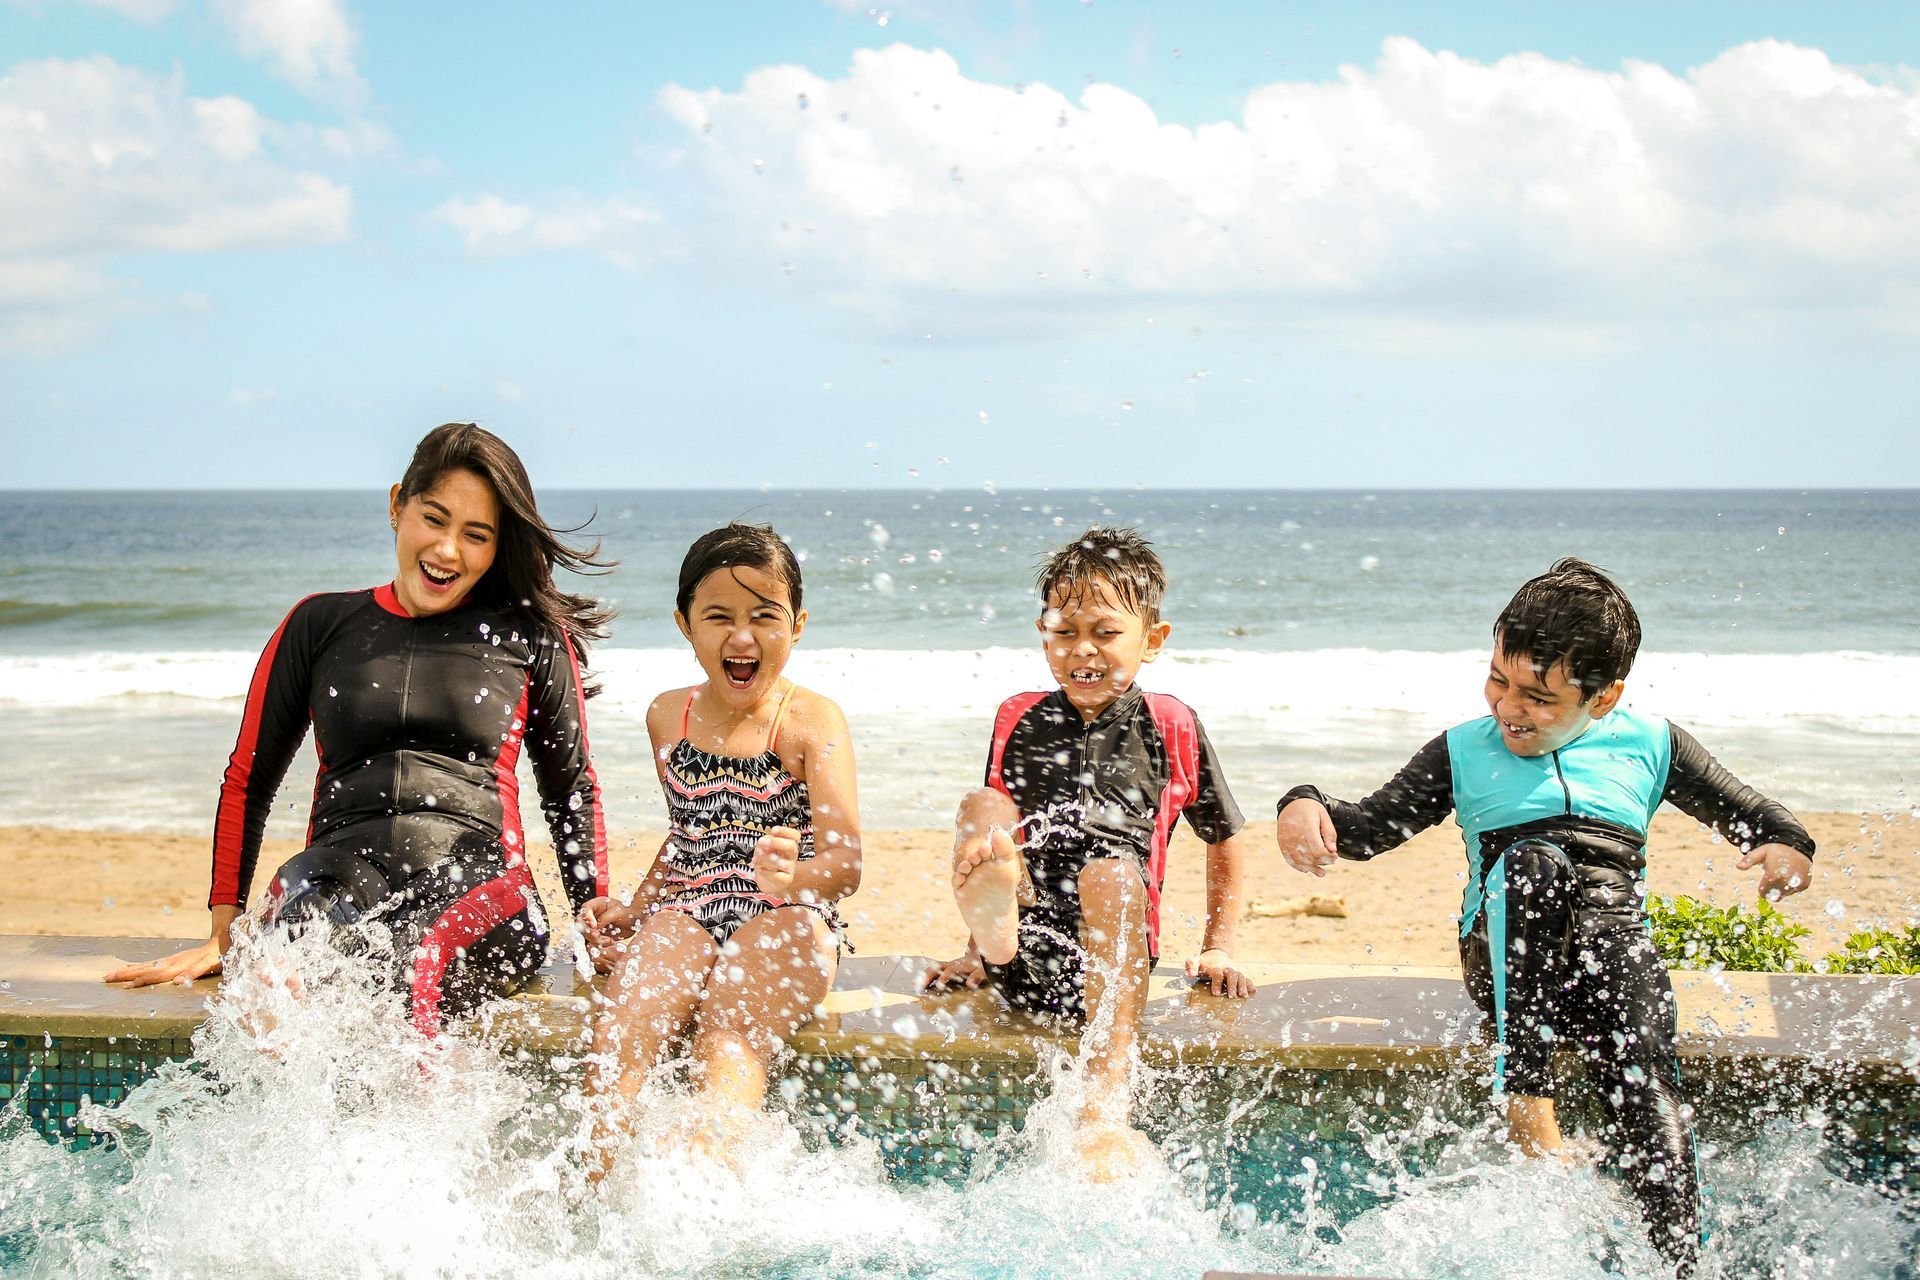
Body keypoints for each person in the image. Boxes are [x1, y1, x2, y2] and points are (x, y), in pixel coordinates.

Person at [1275, 557, 1815, 1275]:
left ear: (1604, 697)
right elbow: (1370, 828)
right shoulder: (1464, 750)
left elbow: (1752, 811)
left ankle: (1682, 1257)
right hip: (1505, 950)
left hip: (1610, 953)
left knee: (1644, 1059)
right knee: (1535, 865)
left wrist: (1787, 846)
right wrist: (1303, 800)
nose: (1509, 708)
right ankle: (1529, 1104)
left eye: (1538, 696)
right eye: (1498, 680)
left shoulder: (1652, 743)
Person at [104, 423, 613, 1039]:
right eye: (435, 518)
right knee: (278, 973)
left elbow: (571, 791)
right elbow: (249, 778)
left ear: (495, 548)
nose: (448, 550)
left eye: (475, 536)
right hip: (334, 872)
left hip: (480, 882)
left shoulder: (528, 638)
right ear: (397, 505)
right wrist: (224, 929)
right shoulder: (319, 624)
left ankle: (417, 1138)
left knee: (412, 971)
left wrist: (595, 924)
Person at [925, 526, 1254, 1179]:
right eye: (1064, 630)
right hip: (1024, 959)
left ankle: (1105, 1106)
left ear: (1151, 640)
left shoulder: (1171, 722)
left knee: (1108, 871)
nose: (1083, 650)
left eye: (1105, 633)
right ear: (1043, 632)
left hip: (1113, 971)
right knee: (982, 808)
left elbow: (1225, 837)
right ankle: (988, 941)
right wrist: (971, 954)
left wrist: (1219, 943)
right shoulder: (1016, 715)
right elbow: (996, 845)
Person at [578, 523, 860, 1172]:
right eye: (718, 617)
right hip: (689, 909)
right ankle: (594, 1200)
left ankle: (712, 1193)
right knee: (623, 1028)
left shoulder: (812, 719)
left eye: (765, 616)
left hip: (790, 917)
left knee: (728, 1035)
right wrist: (638, 906)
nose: (742, 636)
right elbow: (688, 835)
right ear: (685, 624)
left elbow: (846, 867)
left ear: (797, 625)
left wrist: (794, 880)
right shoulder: (666, 716)